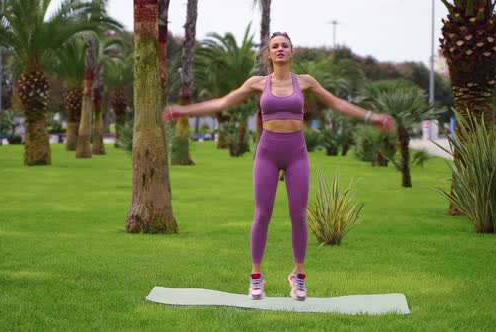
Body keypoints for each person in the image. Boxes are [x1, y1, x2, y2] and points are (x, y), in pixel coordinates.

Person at [163, 32, 394, 301]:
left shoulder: (305, 82)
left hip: (296, 153)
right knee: (262, 214)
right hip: (267, 154)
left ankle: (298, 277)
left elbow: (337, 103)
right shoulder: (257, 83)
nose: (280, 49)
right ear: (269, 54)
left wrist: (371, 116)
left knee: (298, 215)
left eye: (285, 45)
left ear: (292, 52)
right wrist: (184, 111)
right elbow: (223, 102)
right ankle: (256, 277)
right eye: (275, 46)